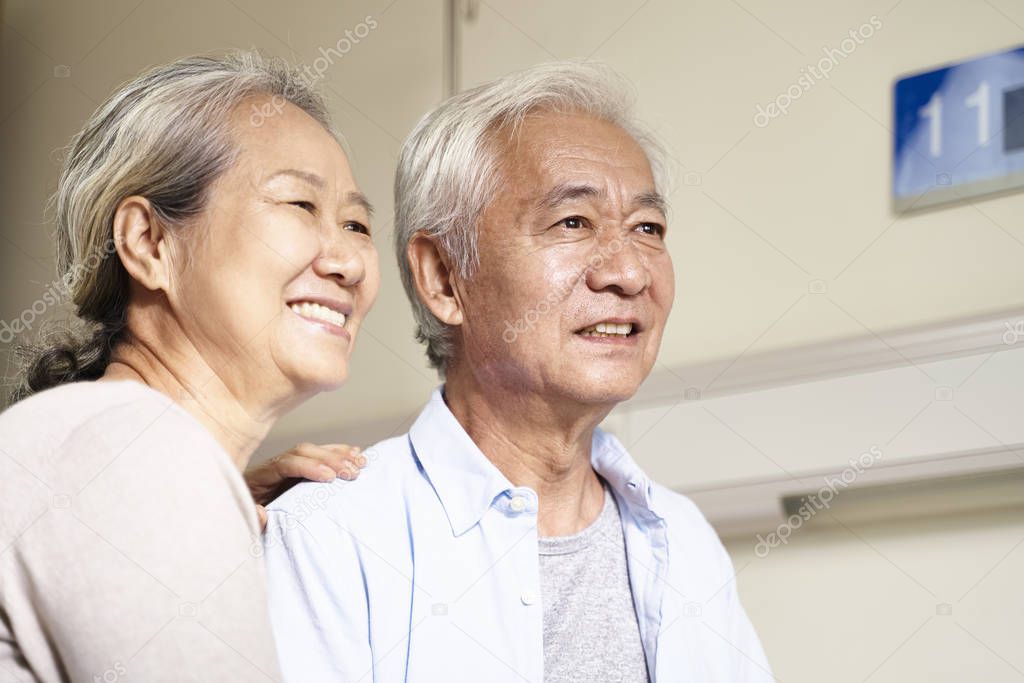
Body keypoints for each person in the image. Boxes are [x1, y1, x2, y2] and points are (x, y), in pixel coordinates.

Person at [263, 62, 773, 682]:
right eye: (573, 223)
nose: (630, 273)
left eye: (648, 228)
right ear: (443, 278)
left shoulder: (683, 539)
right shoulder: (329, 535)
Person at [0, 52, 376, 682]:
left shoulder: (123, 451)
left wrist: (211, 502)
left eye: (357, 224)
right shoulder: (132, 452)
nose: (349, 262)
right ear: (150, 243)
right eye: (299, 206)